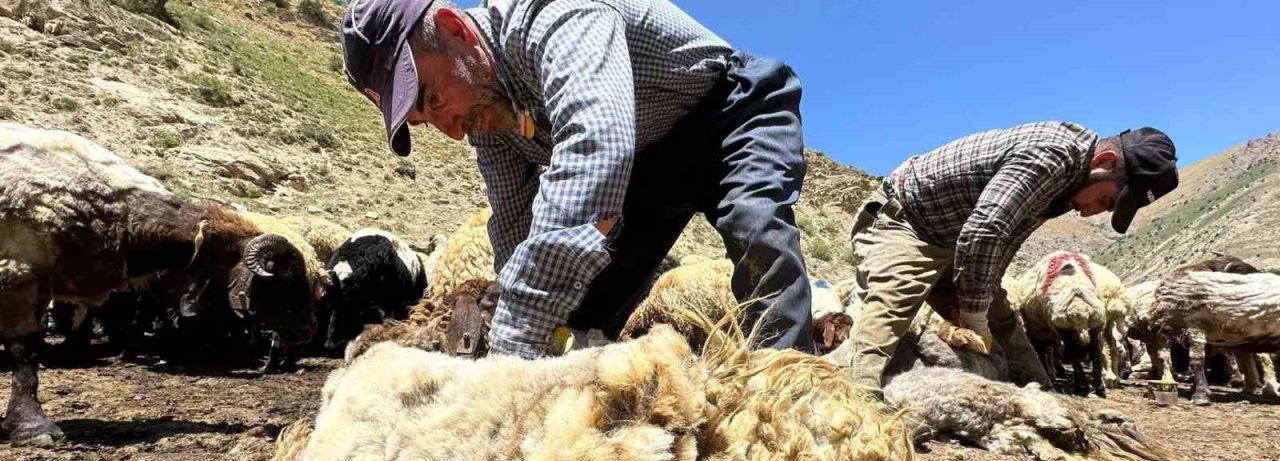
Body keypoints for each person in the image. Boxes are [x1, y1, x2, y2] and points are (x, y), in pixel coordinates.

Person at [339, 0, 815, 358]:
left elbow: (595, 148)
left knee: (757, 230)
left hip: (731, 111)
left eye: (435, 98)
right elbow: (513, 224)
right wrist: (517, 320)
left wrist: (515, 340)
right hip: (648, 164)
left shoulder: (553, 13)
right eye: (427, 122)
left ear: (455, 28)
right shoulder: (490, 124)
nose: (451, 129)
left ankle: (791, 396)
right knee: (579, 310)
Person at [839, 121, 1178, 396]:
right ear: (1103, 162)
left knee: (1001, 319)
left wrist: (983, 306)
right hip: (905, 222)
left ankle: (1042, 397)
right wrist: (973, 317)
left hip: (956, 240)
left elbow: (1004, 241)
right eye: (1106, 200)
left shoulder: (1064, 188)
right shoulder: (1053, 155)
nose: (1092, 214)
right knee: (894, 303)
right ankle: (854, 401)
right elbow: (986, 229)